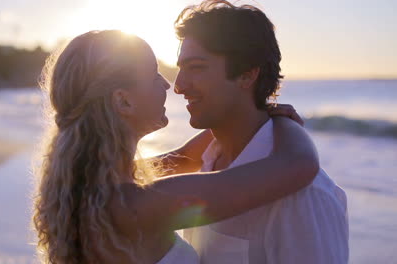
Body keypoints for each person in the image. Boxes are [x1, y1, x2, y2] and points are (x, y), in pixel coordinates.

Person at [32, 30, 319, 264]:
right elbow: (298, 165)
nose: (168, 85)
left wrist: (249, 110)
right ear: (124, 101)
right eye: (154, 75)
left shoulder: (92, 187)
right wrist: (286, 123)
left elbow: (183, 158)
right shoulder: (135, 206)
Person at [172, 1, 349, 263]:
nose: (178, 86)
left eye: (196, 67)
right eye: (181, 69)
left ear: (247, 74)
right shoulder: (205, 165)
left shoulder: (301, 195)